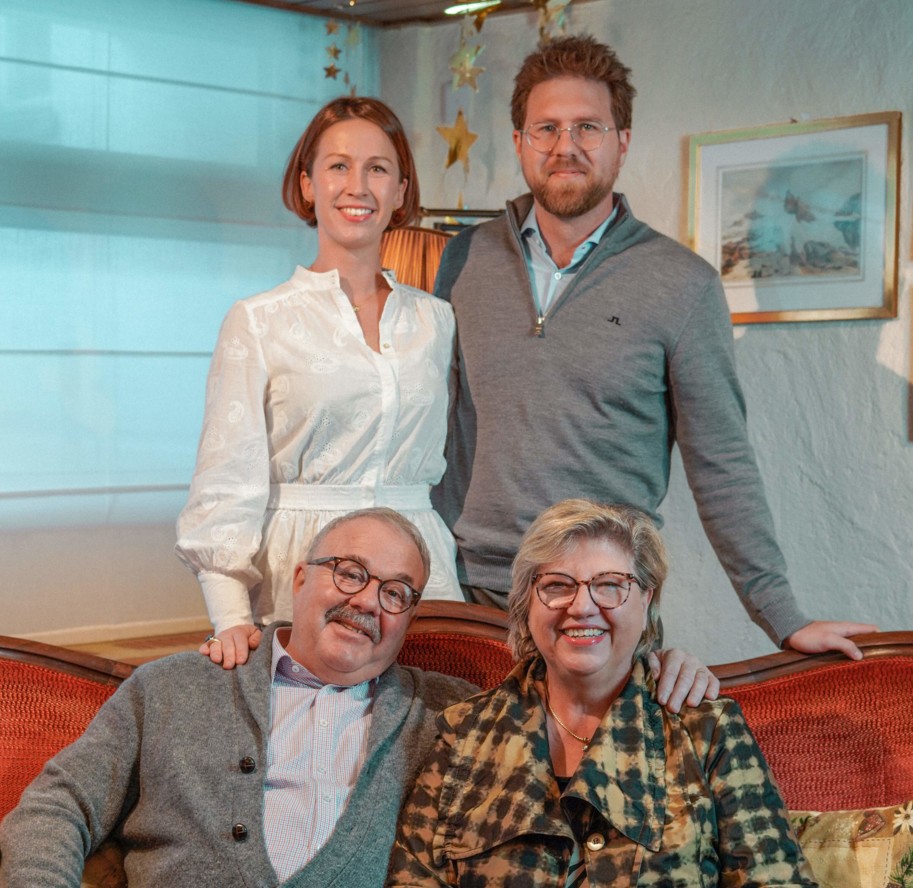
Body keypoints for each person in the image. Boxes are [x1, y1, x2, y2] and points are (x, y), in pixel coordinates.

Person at [431, 34, 876, 657]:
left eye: (589, 127)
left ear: (622, 142)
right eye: (547, 128)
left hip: (603, 605)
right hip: (464, 596)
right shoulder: (463, 259)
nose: (566, 147)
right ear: (519, 142)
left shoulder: (683, 284)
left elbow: (721, 462)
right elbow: (428, 423)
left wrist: (782, 615)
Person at [0, 509, 475, 888]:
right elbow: (59, 806)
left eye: (395, 592)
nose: (368, 602)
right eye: (350, 573)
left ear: (409, 618)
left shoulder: (450, 716)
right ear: (299, 579)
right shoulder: (174, 686)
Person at [386, 500, 819, 886]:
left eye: (609, 584)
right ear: (526, 604)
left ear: (646, 599)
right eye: (557, 585)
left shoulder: (705, 729)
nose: (582, 606)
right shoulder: (463, 735)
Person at [176, 96, 463, 672]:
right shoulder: (258, 320)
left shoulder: (437, 320)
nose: (357, 185)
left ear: (401, 191)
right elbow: (225, 477)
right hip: (304, 571)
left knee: (431, 742)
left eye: (377, 168)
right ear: (307, 184)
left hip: (420, 575)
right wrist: (230, 616)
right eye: (338, 166)